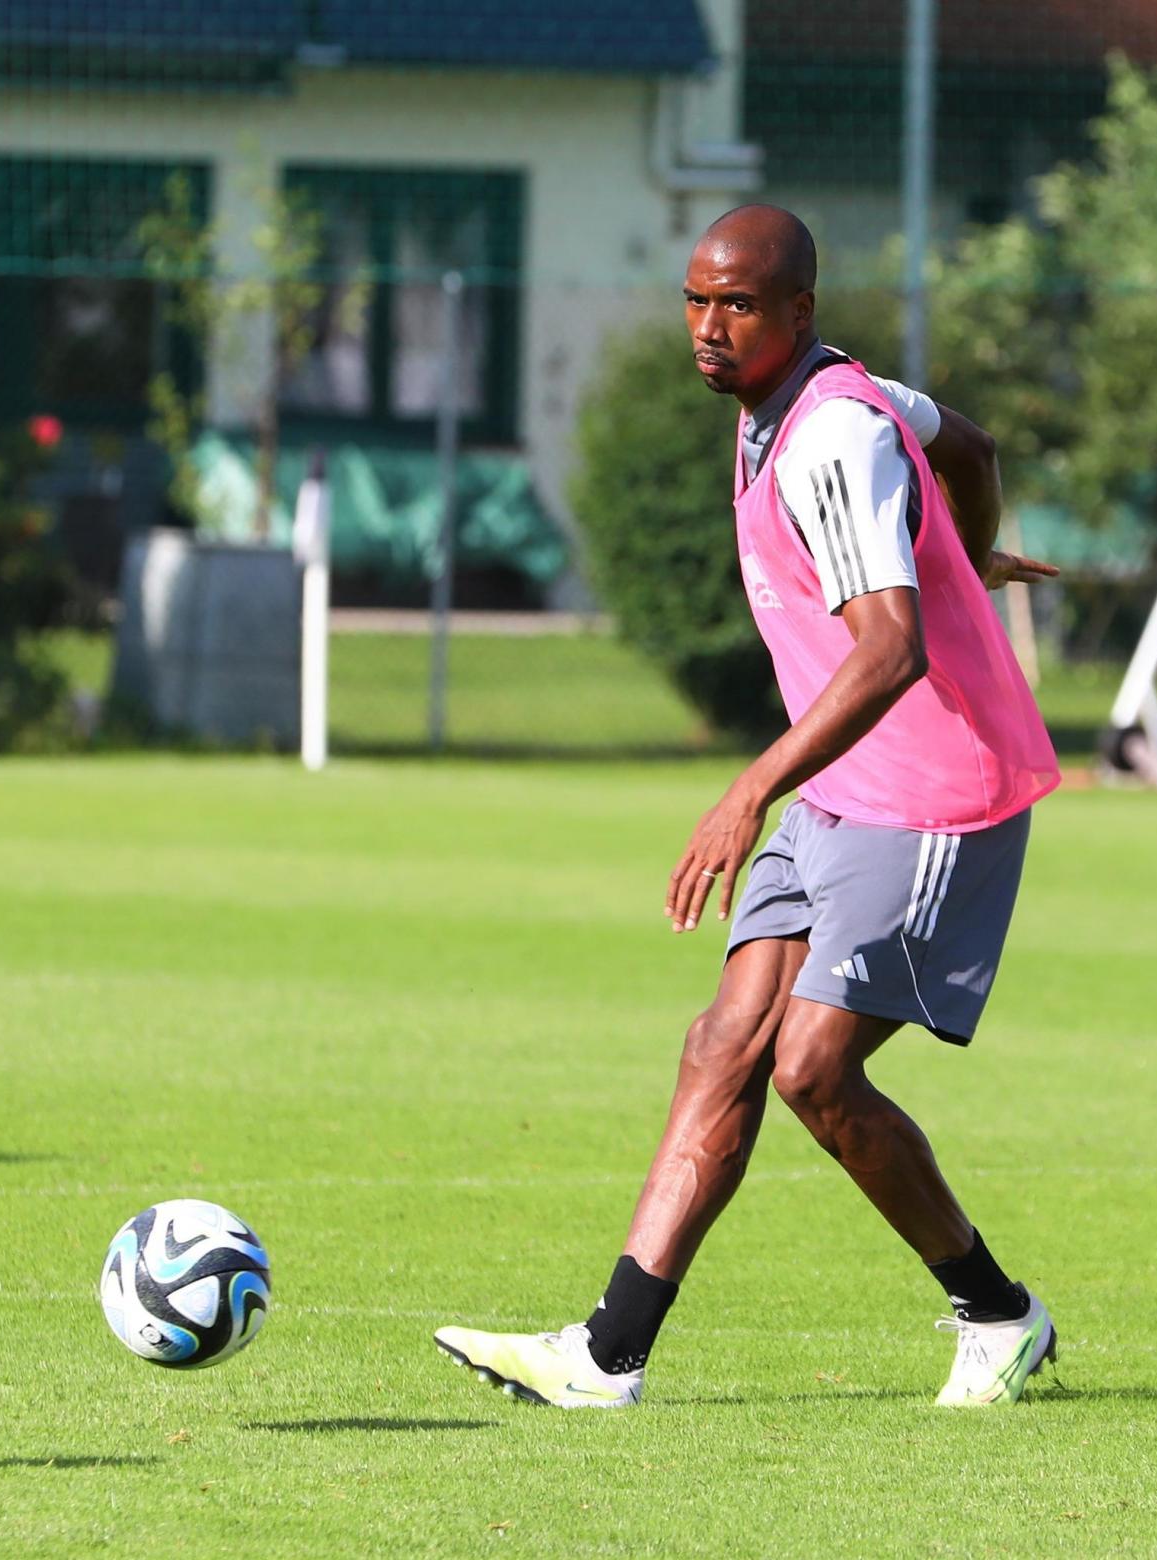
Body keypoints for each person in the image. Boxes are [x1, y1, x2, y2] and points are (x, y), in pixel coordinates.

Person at [435, 205, 1061, 1409]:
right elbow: (970, 448)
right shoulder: (813, 398)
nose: (708, 327)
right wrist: (961, 556)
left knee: (810, 1071)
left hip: (931, 794)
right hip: (839, 786)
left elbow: (891, 652)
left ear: (797, 312)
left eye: (737, 305)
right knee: (720, 1044)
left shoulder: (834, 436)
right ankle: (605, 1357)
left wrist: (747, 786)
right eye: (694, 300)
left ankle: (996, 1315)